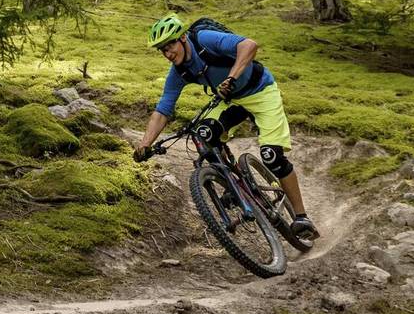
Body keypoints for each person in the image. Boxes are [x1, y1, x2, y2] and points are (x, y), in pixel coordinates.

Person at [133, 14, 319, 239]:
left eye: (170, 45)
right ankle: (235, 183)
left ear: (182, 38)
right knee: (203, 135)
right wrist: (145, 144)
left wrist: (231, 78)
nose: (167, 53)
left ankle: (301, 217)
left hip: (261, 92)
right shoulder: (179, 72)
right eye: (162, 50)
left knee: (272, 156)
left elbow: (249, 45)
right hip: (229, 101)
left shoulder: (204, 40)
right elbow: (163, 110)